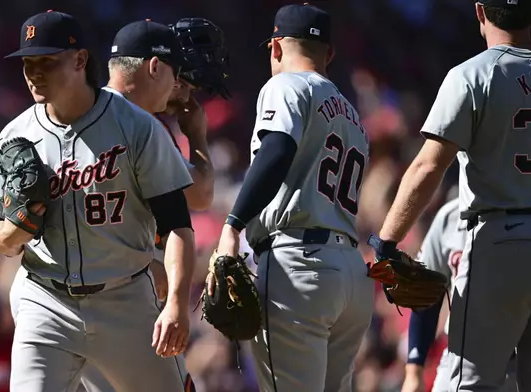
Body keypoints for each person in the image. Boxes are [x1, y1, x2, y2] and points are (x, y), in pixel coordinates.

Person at [0, 11, 196, 392]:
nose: (34, 72)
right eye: (28, 63)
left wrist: (177, 304)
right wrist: (15, 231)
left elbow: (177, 224)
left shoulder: (136, 127)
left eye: (47, 61)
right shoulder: (15, 136)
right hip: (45, 300)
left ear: (80, 60)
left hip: (125, 298)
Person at [205, 4, 373, 391]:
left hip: (300, 267)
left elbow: (277, 150)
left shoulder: (286, 85)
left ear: (276, 47)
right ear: (329, 54)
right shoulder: (352, 115)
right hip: (350, 272)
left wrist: (233, 225)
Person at [370, 0, 531, 389]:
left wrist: (386, 242)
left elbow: (429, 165)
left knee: (464, 383)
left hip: (500, 238)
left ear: (480, 11)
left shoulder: (473, 74)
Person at [104, 18, 228, 301]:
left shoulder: (145, 125)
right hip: (111, 287)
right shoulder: (127, 121)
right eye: (182, 81)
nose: (186, 96)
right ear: (156, 68)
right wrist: (197, 135)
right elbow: (201, 194)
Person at [401, 197, 518, 392]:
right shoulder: (450, 217)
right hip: (462, 356)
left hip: (518, 359)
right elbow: (426, 296)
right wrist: (414, 370)